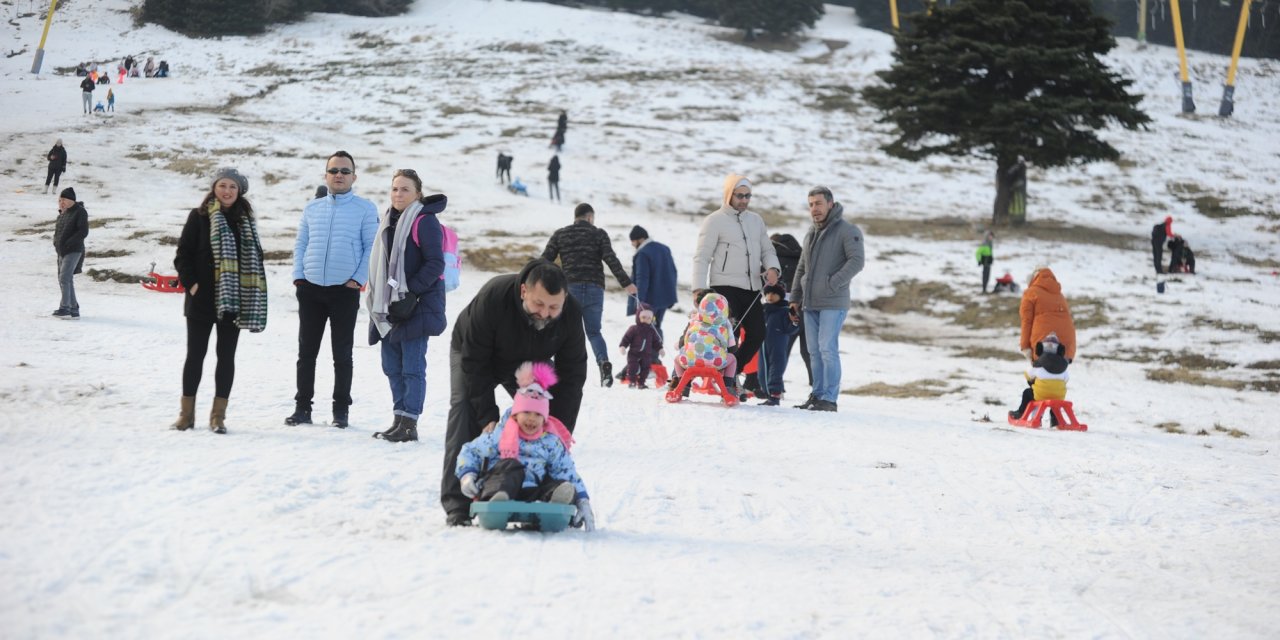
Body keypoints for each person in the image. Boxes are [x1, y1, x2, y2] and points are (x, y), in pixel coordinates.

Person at [441, 259, 587, 526]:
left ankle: (547, 495)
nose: (545, 313)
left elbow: (572, 377)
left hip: (528, 364)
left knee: (544, 425)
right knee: (465, 410)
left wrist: (557, 431)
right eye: (538, 304)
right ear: (524, 292)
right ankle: (458, 505)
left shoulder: (571, 313)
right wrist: (487, 415)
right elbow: (474, 362)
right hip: (474, 354)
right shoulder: (494, 296)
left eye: (554, 307)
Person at [171, 167, 268, 434]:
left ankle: (218, 417)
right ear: (214, 187)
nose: (227, 191)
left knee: (226, 358)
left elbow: (255, 259)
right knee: (195, 356)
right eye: (223, 185)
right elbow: (183, 255)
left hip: (233, 301)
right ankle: (186, 415)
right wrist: (192, 286)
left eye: (232, 187)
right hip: (201, 300)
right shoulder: (199, 217)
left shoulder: (245, 222)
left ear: (239, 192)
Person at [287, 151, 379, 428]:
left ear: (354, 176)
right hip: (310, 290)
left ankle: (341, 411)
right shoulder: (312, 209)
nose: (339, 175)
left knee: (342, 353)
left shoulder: (365, 208)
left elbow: (371, 248)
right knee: (307, 353)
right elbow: (301, 244)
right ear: (326, 175)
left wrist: (357, 279)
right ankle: (302, 408)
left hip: (344, 291)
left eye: (344, 171)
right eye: (334, 171)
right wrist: (299, 277)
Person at [456, 361, 594, 531]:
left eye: (537, 414)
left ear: (544, 419)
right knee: (511, 466)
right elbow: (471, 451)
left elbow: (567, 471)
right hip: (501, 486)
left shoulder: (550, 442)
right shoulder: (500, 435)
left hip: (535, 491)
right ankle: (497, 502)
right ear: (515, 414)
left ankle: (554, 504)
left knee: (557, 482)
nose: (531, 418)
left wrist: (582, 499)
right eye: (526, 412)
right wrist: (467, 476)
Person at [365, 169, 448, 443]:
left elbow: (436, 263)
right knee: (392, 366)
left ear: (417, 194)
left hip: (415, 305)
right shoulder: (389, 220)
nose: (398, 194)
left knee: (412, 367)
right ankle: (399, 418)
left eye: (405, 189)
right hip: (389, 305)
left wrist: (410, 291)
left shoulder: (424, 221)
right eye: (395, 189)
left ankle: (410, 424)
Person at [692, 173, 780, 397]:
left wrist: (772, 268)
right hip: (724, 287)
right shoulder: (715, 220)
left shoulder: (755, 220)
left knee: (758, 333)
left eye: (747, 196)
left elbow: (767, 249)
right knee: (730, 335)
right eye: (739, 195)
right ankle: (727, 381)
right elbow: (702, 256)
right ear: (729, 194)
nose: (743, 200)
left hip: (751, 288)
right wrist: (699, 288)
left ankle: (730, 374)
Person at [542, 203, 637, 387]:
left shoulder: (561, 234)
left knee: (562, 330)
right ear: (590, 217)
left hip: (570, 290)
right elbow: (611, 259)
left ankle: (554, 369)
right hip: (595, 289)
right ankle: (603, 363)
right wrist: (627, 284)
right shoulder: (598, 234)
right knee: (594, 332)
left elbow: (544, 261)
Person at [789, 186, 864, 412]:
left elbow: (857, 261)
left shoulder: (847, 230)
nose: (814, 209)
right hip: (810, 302)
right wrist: (794, 297)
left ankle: (830, 398)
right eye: (811, 204)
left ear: (831, 204)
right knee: (813, 351)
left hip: (833, 301)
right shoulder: (811, 233)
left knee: (827, 348)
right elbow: (802, 267)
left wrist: (832, 283)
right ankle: (818, 394)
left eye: (818, 203)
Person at [669, 292, 739, 397]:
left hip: (690, 361)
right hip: (715, 363)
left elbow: (686, 341)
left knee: (676, 360)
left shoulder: (694, 322)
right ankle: (728, 387)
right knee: (732, 359)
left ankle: (684, 385)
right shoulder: (724, 326)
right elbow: (732, 349)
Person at [769, 233, 811, 386]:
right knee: (809, 351)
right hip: (807, 308)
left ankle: (775, 385)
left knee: (781, 350)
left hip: (786, 310)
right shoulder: (802, 258)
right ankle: (817, 387)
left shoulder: (774, 261)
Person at [625, 225, 678, 339]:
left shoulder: (643, 253)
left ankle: (650, 356)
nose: (632, 244)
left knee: (646, 329)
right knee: (656, 326)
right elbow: (673, 272)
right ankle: (655, 354)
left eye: (633, 241)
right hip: (664, 299)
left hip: (650, 300)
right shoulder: (664, 248)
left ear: (640, 239)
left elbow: (641, 279)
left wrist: (640, 303)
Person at [1019, 266, 1077, 366]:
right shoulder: (1059, 295)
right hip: (1067, 344)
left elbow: (1026, 321)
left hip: (1044, 343)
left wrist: (1025, 347)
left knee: (1040, 379)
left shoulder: (1030, 292)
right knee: (1058, 378)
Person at [1008, 333, 1069, 426]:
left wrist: (1032, 380)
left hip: (1041, 395)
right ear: (1060, 350)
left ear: (1041, 349)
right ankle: (1055, 419)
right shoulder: (1063, 367)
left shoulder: (1039, 364)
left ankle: (1021, 413)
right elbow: (1066, 379)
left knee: (1027, 393)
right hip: (1059, 396)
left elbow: (1028, 374)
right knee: (1054, 399)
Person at [757, 283, 801, 406]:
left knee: (776, 369)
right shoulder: (763, 309)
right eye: (768, 293)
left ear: (780, 296)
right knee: (762, 371)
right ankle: (767, 393)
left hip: (777, 344)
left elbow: (790, 330)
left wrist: (794, 322)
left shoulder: (784, 311)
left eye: (774, 294)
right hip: (763, 344)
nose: (770, 296)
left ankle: (775, 395)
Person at [52, 187, 88, 319]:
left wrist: (68, 243)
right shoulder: (63, 214)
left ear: (71, 200)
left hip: (74, 250)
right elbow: (58, 233)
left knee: (64, 278)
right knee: (65, 279)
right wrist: (56, 243)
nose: (61, 202)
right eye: (59, 200)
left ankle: (65, 308)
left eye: (64, 199)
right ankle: (73, 309)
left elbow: (83, 232)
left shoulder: (80, 212)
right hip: (61, 251)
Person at [618, 304, 663, 389]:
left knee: (645, 369)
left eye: (649, 318)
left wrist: (660, 349)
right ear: (638, 317)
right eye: (644, 317)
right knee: (632, 367)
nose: (646, 320)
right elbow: (626, 338)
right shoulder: (633, 329)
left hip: (646, 354)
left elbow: (656, 342)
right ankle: (632, 381)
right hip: (634, 353)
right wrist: (623, 346)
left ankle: (641, 383)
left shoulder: (652, 331)